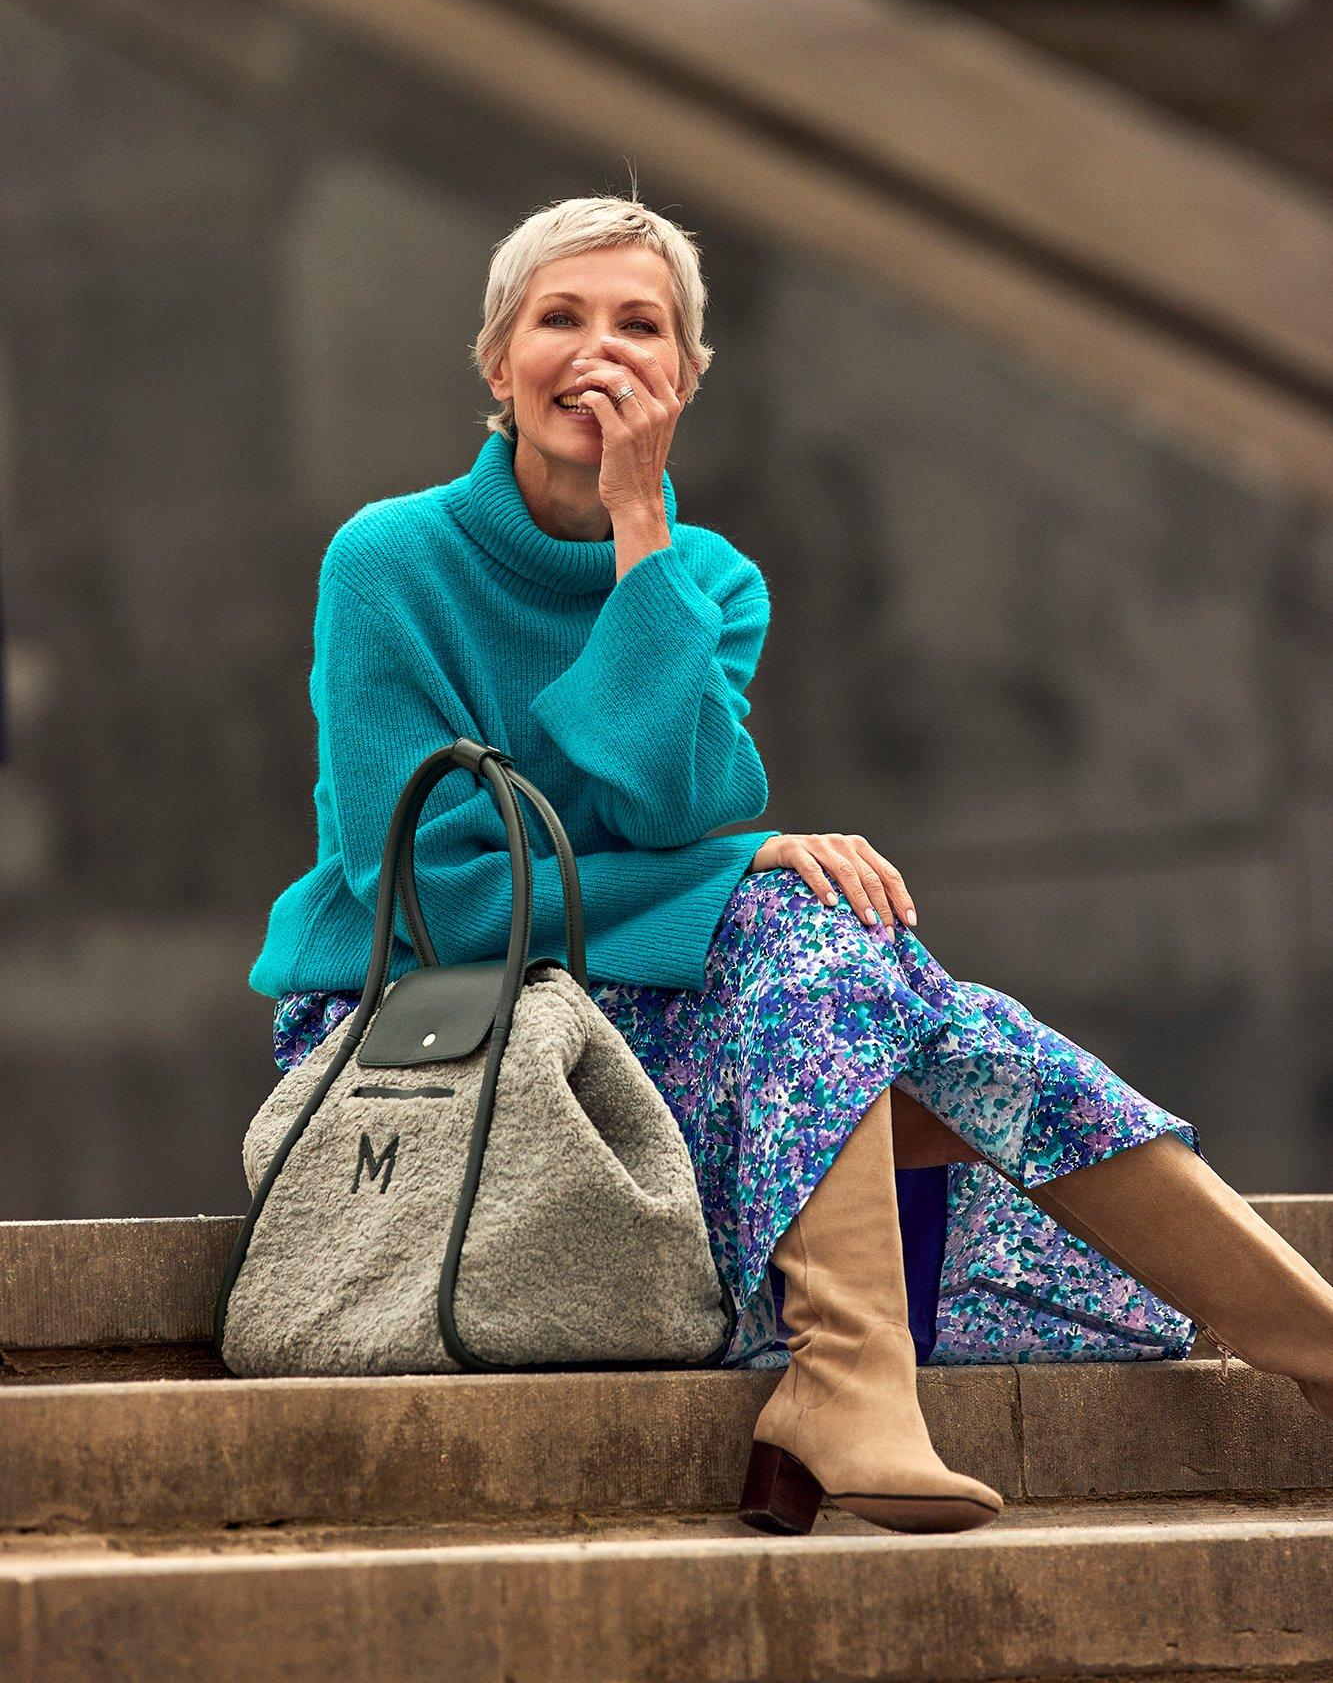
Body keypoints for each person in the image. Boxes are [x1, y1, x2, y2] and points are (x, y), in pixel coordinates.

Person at [251, 193, 1333, 1537]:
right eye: (560, 318)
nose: (599, 350)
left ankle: (853, 1381)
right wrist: (747, 862)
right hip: (435, 1034)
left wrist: (638, 527)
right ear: (495, 362)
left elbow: (671, 799)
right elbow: (448, 895)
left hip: (667, 1013)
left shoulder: (707, 578)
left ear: (688, 378)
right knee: (819, 940)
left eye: (640, 325)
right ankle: (1272, 1349)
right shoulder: (390, 561)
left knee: (826, 963)